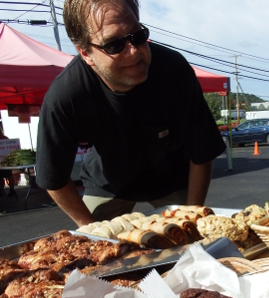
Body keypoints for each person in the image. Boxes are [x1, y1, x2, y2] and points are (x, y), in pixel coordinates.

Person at [36, 0, 226, 227]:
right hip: (108, 182)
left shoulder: (173, 69)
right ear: (85, 52)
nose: (134, 51)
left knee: (192, 239)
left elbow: (202, 151)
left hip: (170, 175)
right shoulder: (67, 95)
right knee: (95, 250)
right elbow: (53, 178)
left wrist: (194, 219)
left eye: (137, 36)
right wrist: (93, 231)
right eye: (114, 45)